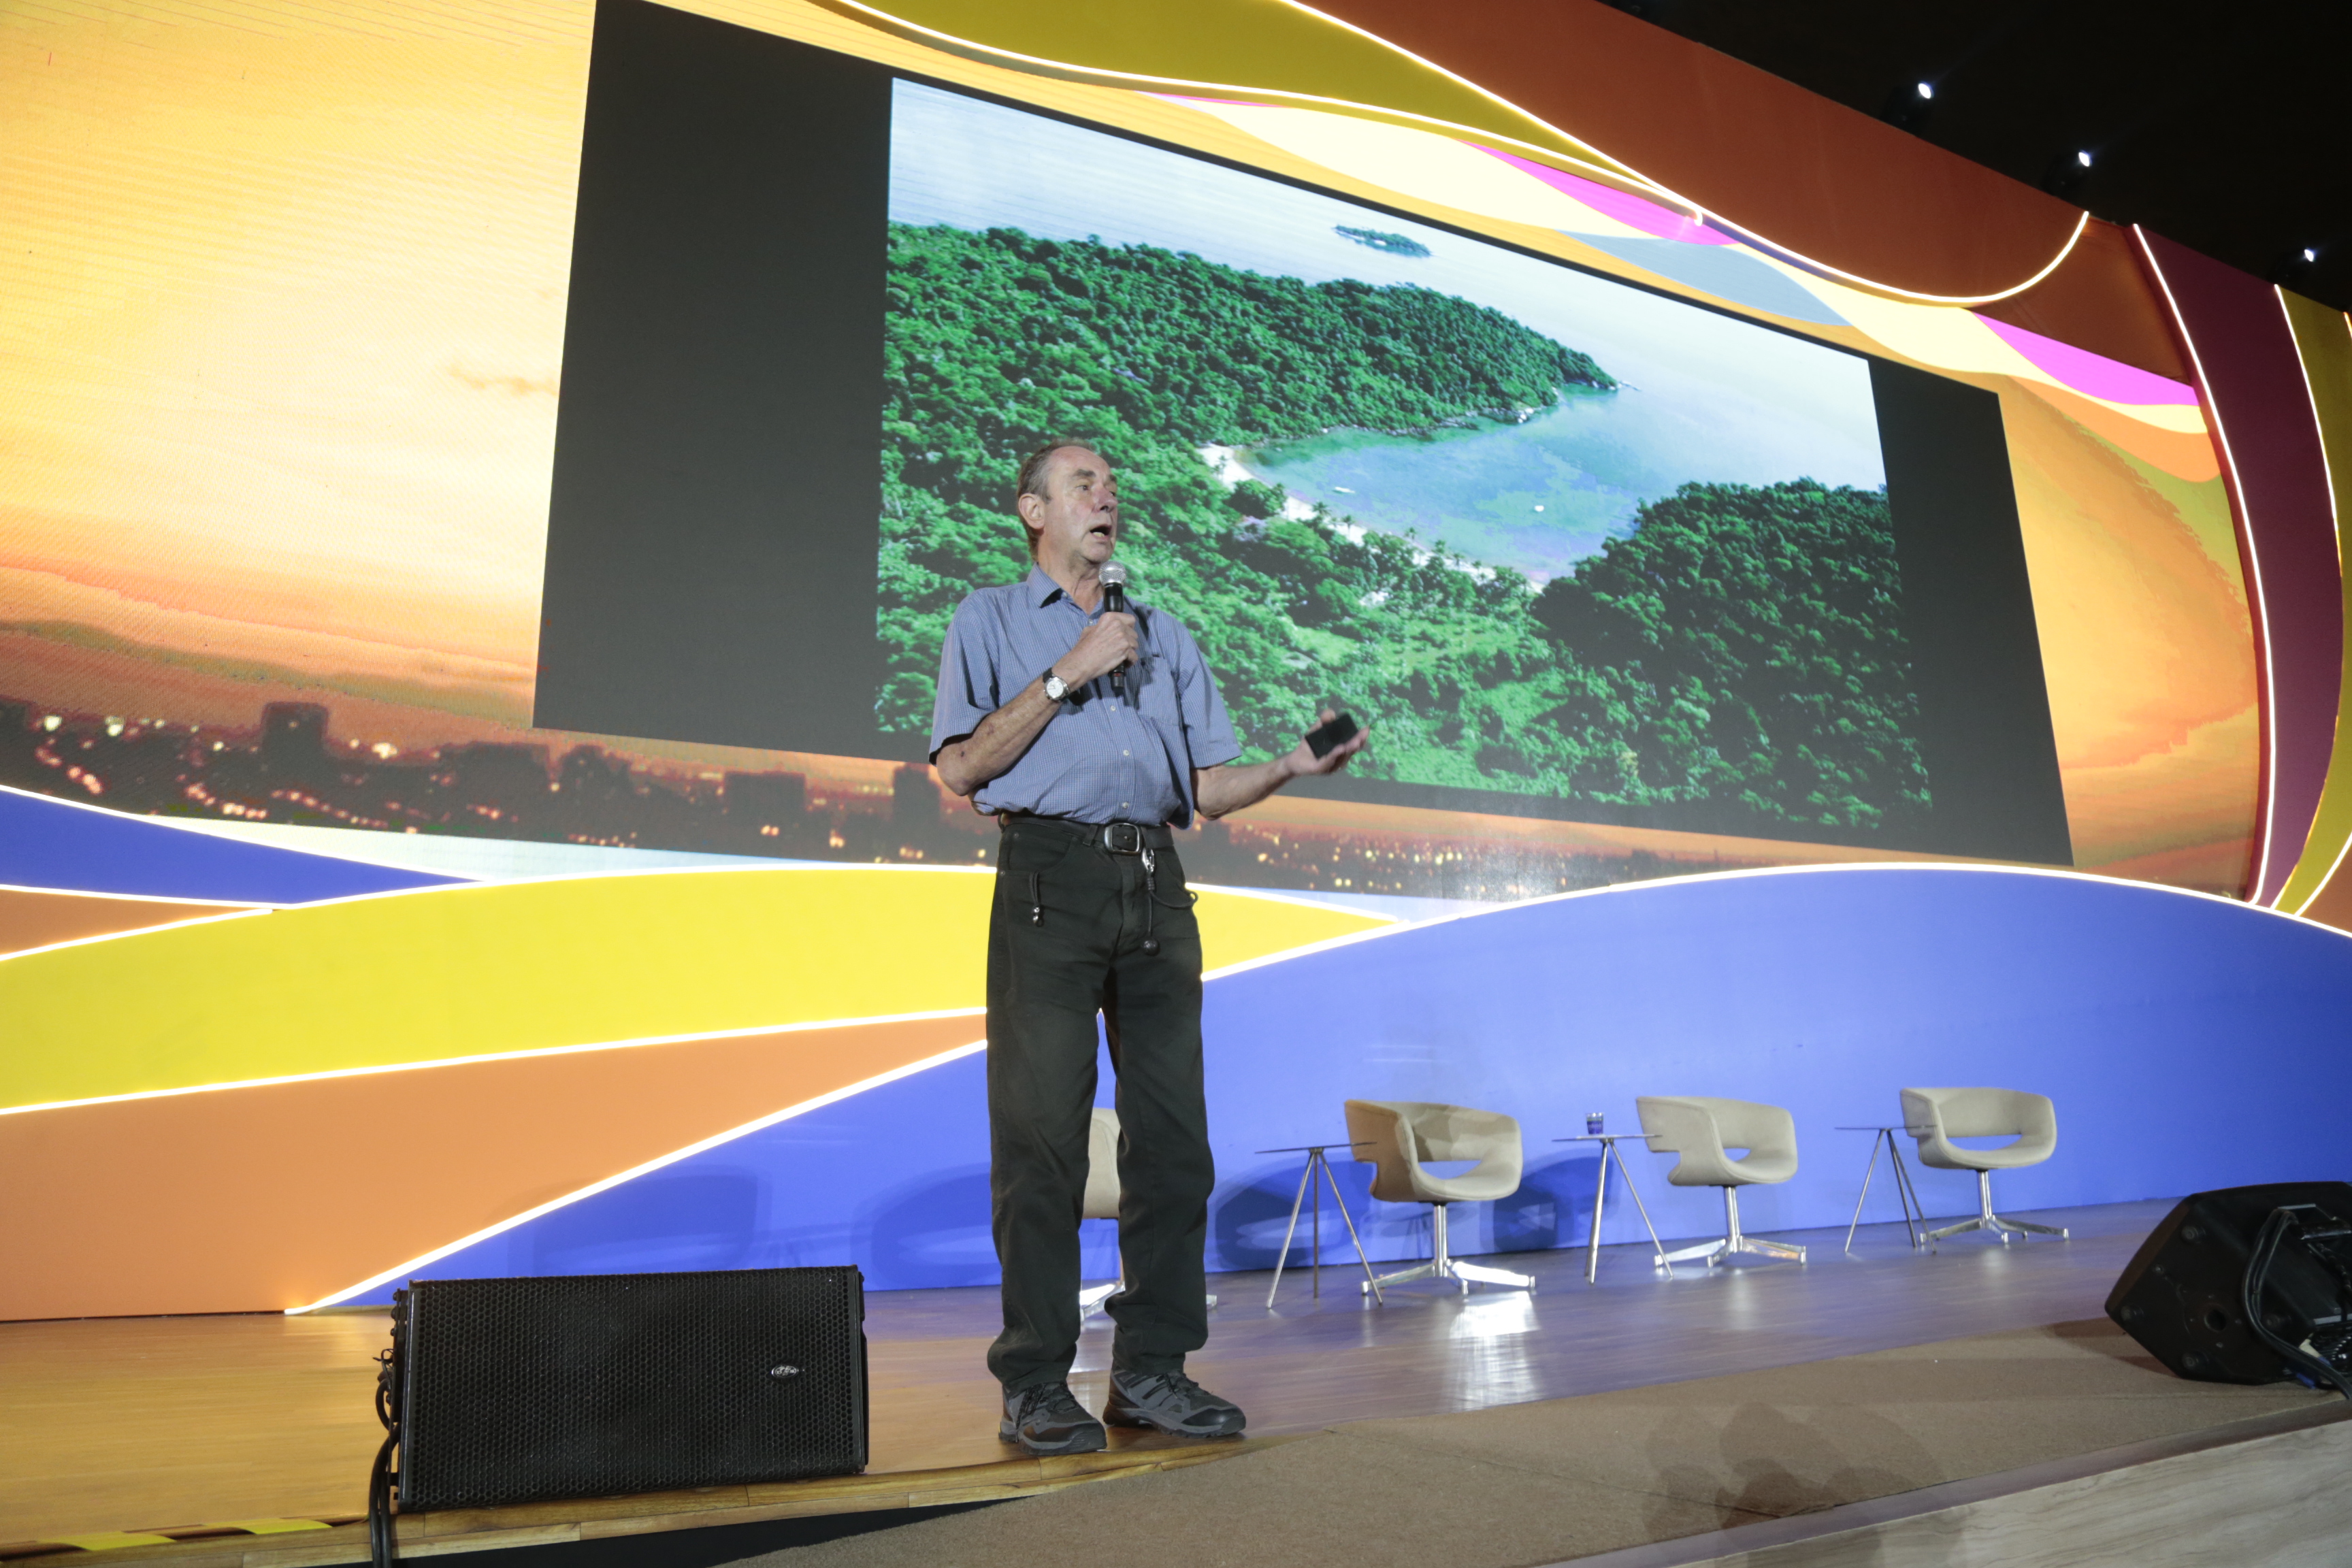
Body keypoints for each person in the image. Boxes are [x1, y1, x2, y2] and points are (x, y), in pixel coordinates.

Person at [930, 440, 1369, 1456]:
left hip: (1157, 886)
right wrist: (1066, 674)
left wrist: (1293, 765)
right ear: (1032, 510)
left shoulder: (1163, 634)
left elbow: (1202, 789)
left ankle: (1152, 1371)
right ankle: (1036, 1382)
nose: (1106, 498)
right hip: (1049, 880)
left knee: (1174, 1148)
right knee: (1042, 1143)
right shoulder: (988, 620)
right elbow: (962, 767)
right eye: (1083, 484)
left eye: (1112, 486)